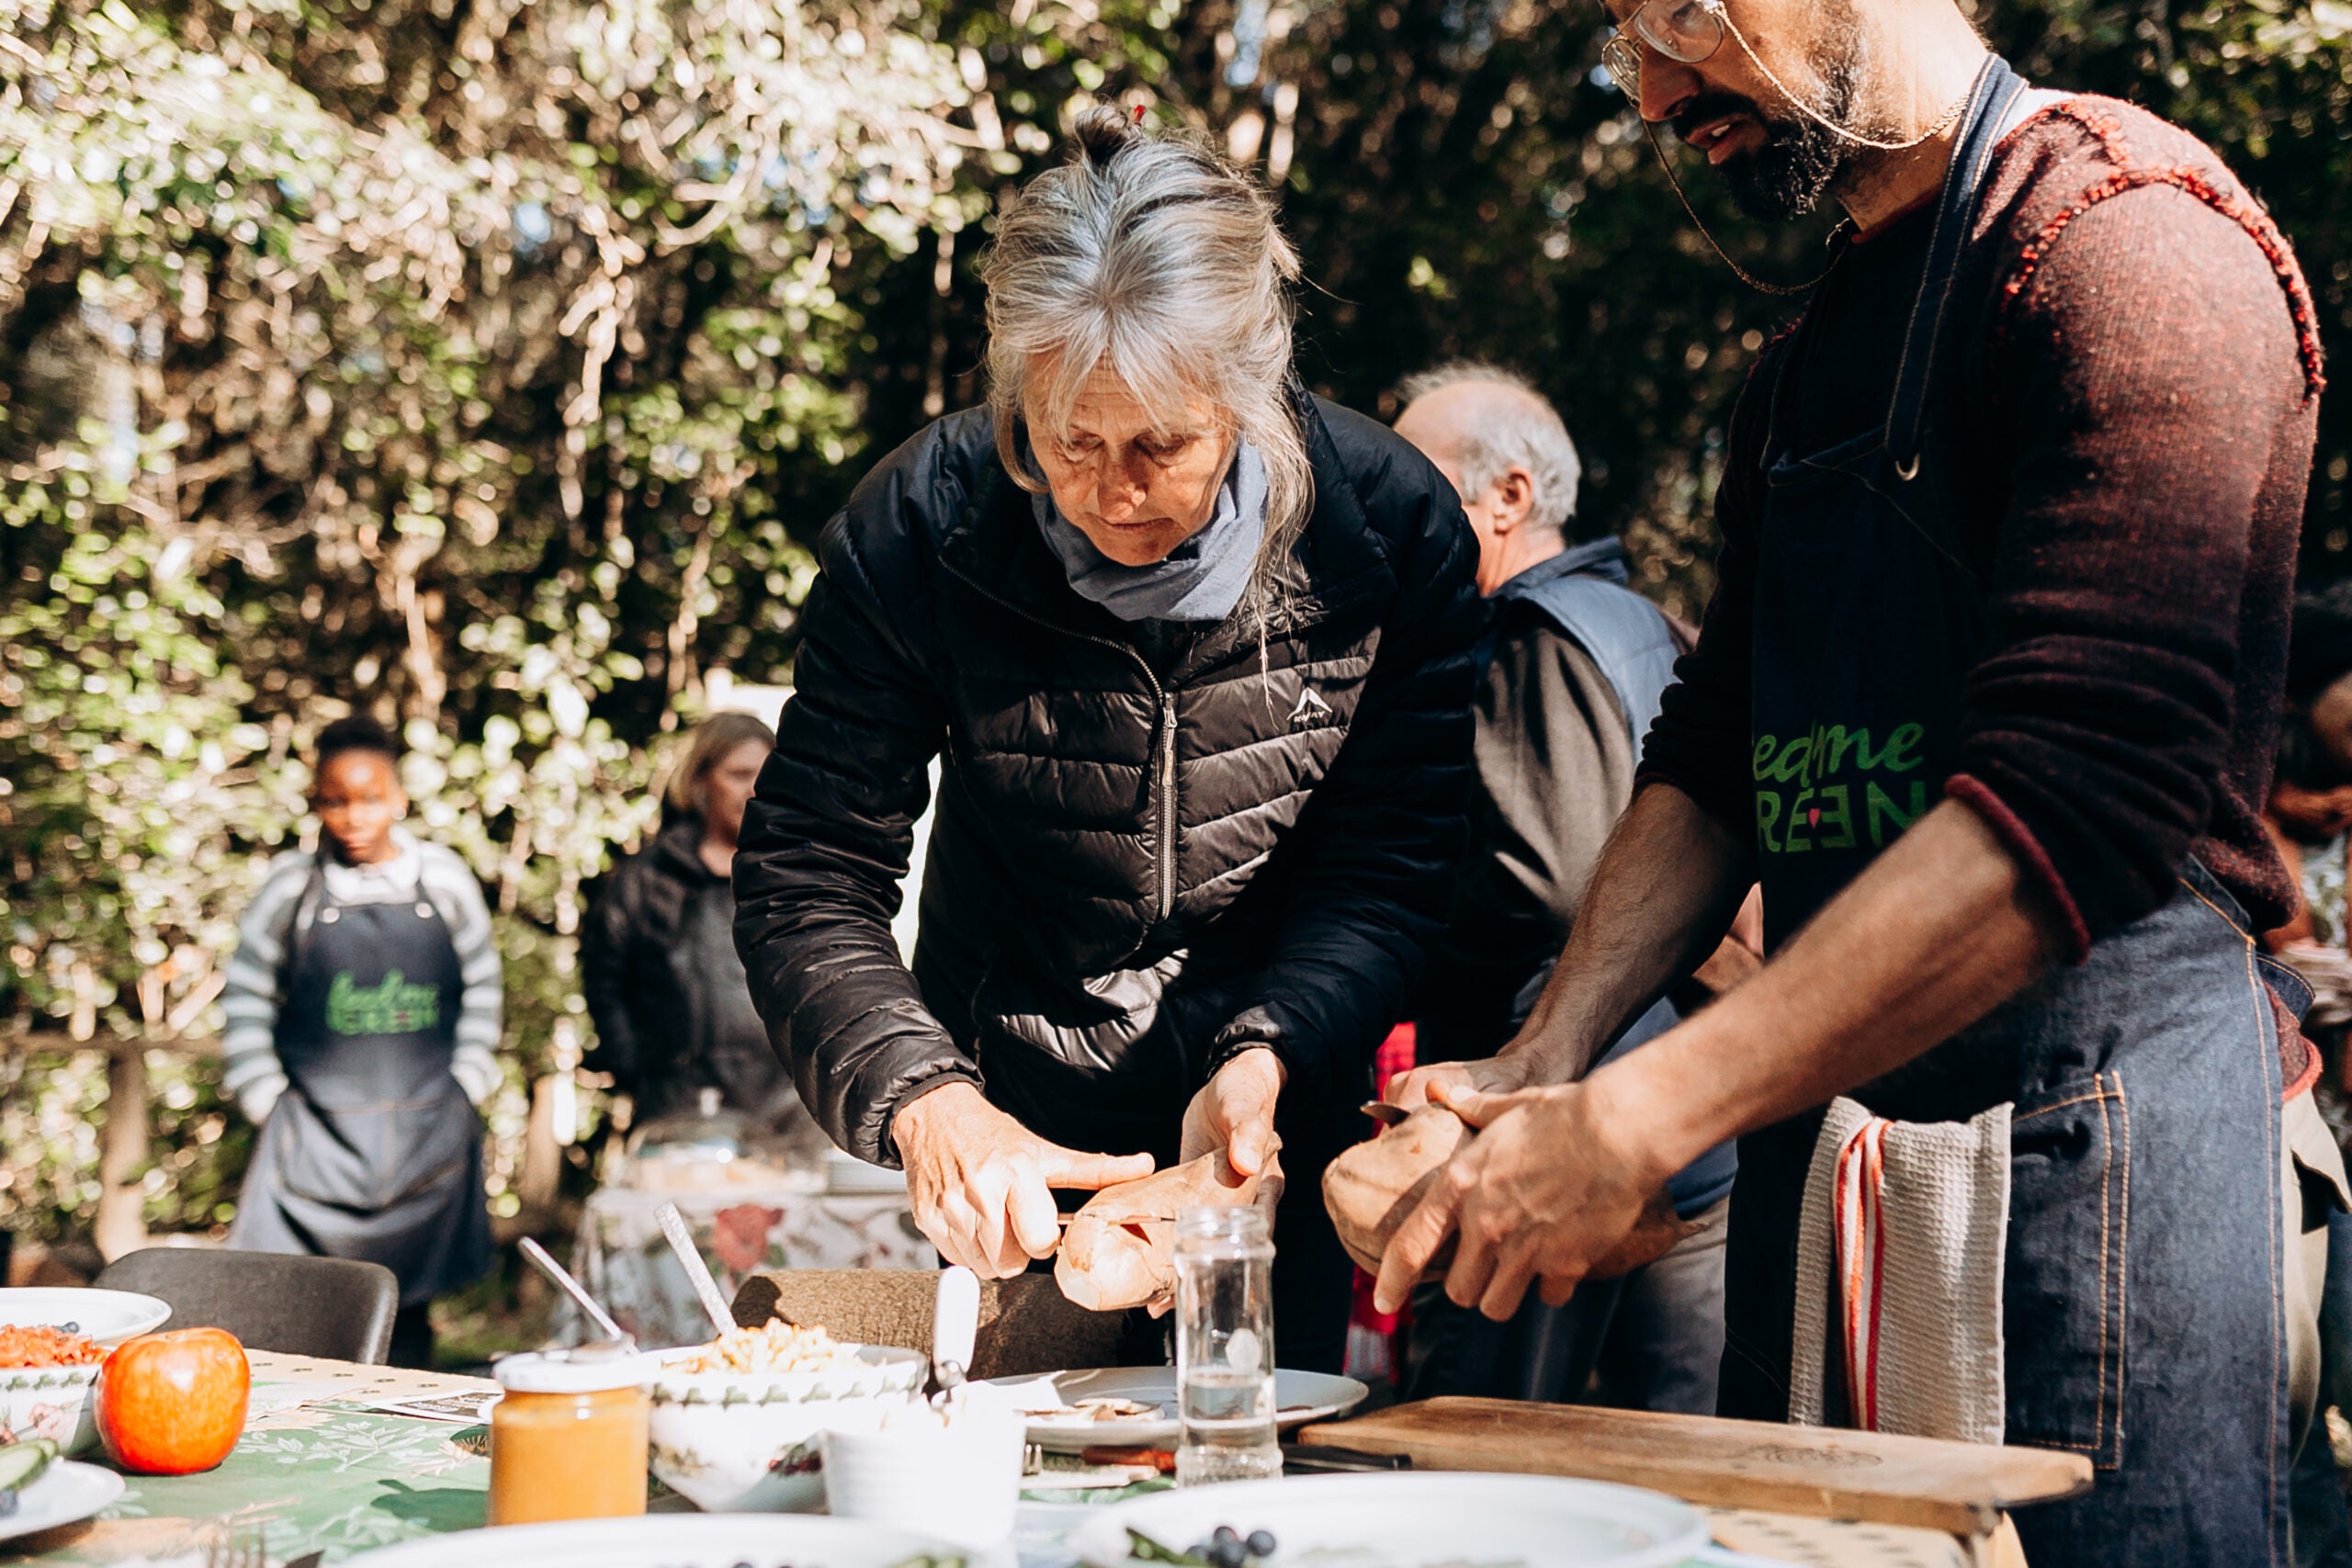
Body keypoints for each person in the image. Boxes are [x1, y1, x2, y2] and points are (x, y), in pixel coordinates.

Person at [1372, 1, 2345, 1559]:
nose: (1656, 94)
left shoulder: (2129, 243)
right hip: (1821, 1179)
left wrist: (1635, 1124)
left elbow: (2067, 814)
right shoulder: (1808, 360)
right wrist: (1540, 1059)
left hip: (2096, 1171)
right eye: (1628, 42)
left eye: (1683, 13)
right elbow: (1715, 753)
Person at [732, 106, 1484, 1370]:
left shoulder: (1387, 531)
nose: (1110, 492)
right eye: (1067, 440)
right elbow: (809, 873)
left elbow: (1395, 868)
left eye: (1161, 445)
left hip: (1264, 1118)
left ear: (1250, 397)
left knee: (1251, 1468)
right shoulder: (925, 524)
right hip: (1006, 1115)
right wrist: (925, 1098)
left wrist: (1266, 1065)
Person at [1392, 364, 1736, 1414]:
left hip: (1549, 1142)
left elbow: (1553, 880)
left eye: (1418, 489)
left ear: (1507, 497)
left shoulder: (1532, 637)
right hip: (1683, 1126)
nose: (1391, 519)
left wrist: (1385, 923)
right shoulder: (1637, 621)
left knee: (1481, 1457)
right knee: (1672, 1467)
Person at [220, 715, 500, 1367]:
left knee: (410, 1311)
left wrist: (470, 1080)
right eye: (335, 801)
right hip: (315, 1137)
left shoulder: (446, 881)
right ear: (315, 801)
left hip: (427, 1128)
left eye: (370, 798)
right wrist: (264, 1095)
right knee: (311, 1308)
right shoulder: (291, 889)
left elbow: (485, 984)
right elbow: (246, 993)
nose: (353, 816)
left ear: (399, 798)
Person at [583, 712, 818, 1148]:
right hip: (681, 1109)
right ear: (700, 781)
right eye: (739, 774)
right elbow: (604, 982)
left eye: (764, 776)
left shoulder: (801, 873)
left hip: (793, 1111)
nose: (753, 789)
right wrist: (638, 1072)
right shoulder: (648, 880)